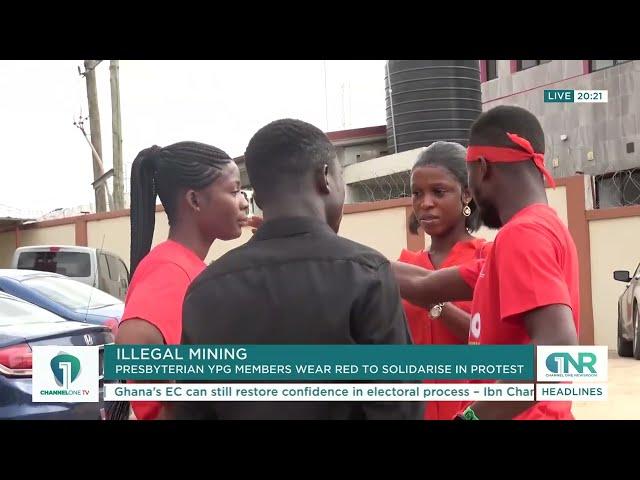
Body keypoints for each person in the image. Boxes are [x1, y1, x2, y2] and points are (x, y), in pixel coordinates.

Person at [169, 118, 423, 420]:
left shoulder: (204, 291)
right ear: (325, 178)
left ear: (259, 197)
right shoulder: (367, 276)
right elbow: (399, 410)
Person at [392, 105, 580, 420]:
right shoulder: (538, 231)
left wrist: (472, 418)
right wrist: (342, 254)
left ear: (482, 168)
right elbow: (424, 286)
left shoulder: (521, 235)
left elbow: (558, 348)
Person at [114, 141, 251, 420]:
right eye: (235, 191)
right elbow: (133, 342)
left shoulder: (188, 266)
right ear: (195, 200)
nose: (245, 201)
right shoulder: (169, 270)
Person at [398, 141, 491, 420]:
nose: (425, 203)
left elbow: (491, 345)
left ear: (466, 195)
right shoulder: (405, 266)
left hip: (472, 412)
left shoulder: (488, 260)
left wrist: (432, 300)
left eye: (438, 192)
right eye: (417, 193)